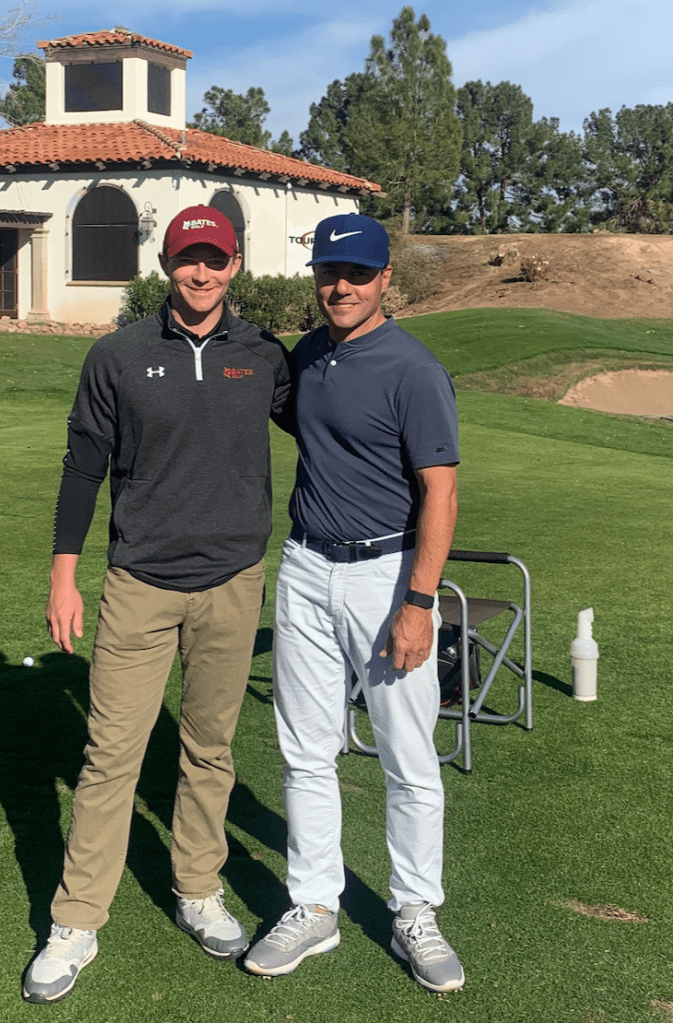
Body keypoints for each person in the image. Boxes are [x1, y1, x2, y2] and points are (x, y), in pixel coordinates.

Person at [22, 205, 291, 1003]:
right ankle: (75, 920)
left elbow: (332, 424)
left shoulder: (265, 355)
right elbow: (82, 466)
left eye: (213, 259)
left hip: (233, 581)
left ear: (235, 263)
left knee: (210, 750)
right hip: (139, 583)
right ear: (166, 263)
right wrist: (63, 575)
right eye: (186, 259)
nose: (200, 273)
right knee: (112, 755)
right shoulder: (118, 355)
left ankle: (197, 887)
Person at [244, 213, 464, 993]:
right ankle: (314, 905)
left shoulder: (413, 368)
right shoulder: (308, 354)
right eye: (330, 273)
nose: (341, 287)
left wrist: (419, 602)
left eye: (358, 274)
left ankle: (414, 911)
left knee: (407, 755)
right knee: (306, 749)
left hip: (385, 575)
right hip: (304, 566)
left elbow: (441, 493)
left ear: (385, 280)